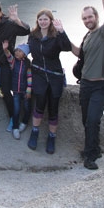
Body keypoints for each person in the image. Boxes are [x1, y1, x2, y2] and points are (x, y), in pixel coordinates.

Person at [74, 0, 104, 170]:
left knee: (92, 120)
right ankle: (95, 148)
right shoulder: (88, 36)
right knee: (87, 121)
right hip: (86, 85)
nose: (87, 20)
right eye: (84, 18)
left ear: (96, 17)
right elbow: (80, 54)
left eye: (90, 16)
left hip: (101, 85)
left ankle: (90, 156)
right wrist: (62, 36)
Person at [26, 9, 75, 154]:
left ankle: (51, 137)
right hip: (39, 73)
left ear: (51, 21)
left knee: (54, 107)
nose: (43, 22)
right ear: (37, 21)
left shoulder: (56, 35)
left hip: (55, 75)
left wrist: (62, 31)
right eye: (40, 19)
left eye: (45, 19)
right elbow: (28, 49)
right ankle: (35, 132)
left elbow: (67, 47)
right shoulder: (33, 35)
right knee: (39, 102)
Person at [2, 41, 32, 140]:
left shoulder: (28, 64)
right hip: (16, 91)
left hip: (25, 91)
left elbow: (29, 77)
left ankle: (24, 122)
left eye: (20, 51)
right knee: (16, 109)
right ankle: (15, 127)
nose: (17, 53)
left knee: (27, 108)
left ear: (25, 54)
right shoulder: (14, 62)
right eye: (16, 50)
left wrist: (29, 89)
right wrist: (5, 49)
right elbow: (8, 56)